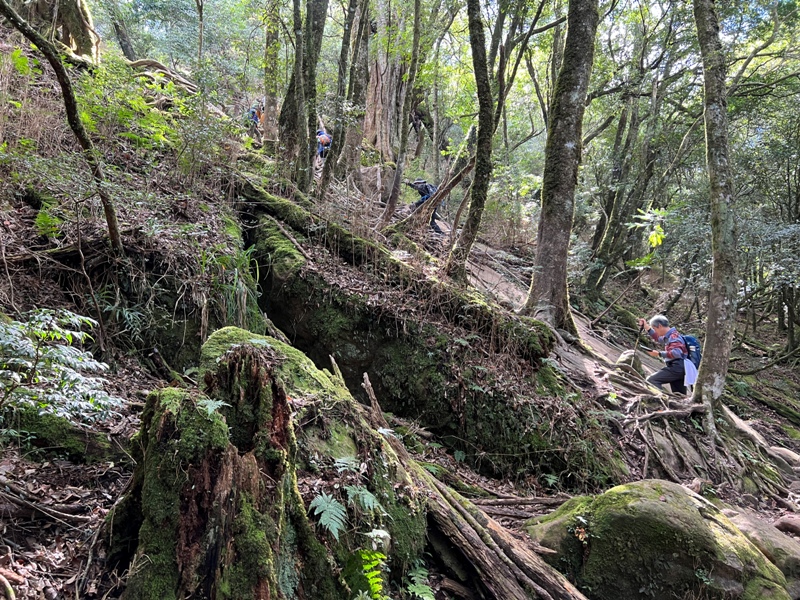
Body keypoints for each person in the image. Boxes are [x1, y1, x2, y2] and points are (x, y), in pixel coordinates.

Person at [638, 314, 689, 394]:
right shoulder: (670, 335)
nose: (655, 331)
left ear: (660, 326)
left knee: (652, 380)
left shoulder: (674, 336)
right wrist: (647, 327)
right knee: (679, 395)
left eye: (655, 328)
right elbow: (658, 338)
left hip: (677, 367)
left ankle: (660, 401)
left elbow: (677, 353)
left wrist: (659, 354)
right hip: (680, 368)